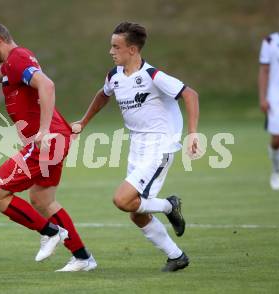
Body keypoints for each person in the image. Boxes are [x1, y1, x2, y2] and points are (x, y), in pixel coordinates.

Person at [0, 18, 97, 272]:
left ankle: (50, 232)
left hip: (47, 141)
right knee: (43, 199)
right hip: (57, 139)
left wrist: (44, 130)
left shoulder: (17, 59)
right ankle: (82, 257)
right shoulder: (11, 63)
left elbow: (47, 84)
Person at [72, 22, 199, 272]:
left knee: (122, 200)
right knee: (136, 212)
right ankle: (177, 256)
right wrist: (83, 122)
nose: (111, 51)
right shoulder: (114, 76)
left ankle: (168, 206)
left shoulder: (152, 75)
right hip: (137, 146)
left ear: (132, 49)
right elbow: (103, 94)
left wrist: (193, 134)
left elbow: (190, 94)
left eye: (115, 46)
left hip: (160, 145)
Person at [258, 6, 279, 191]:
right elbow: (264, 71)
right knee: (277, 139)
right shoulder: (270, 41)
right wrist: (263, 97)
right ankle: (276, 169)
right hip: (277, 97)